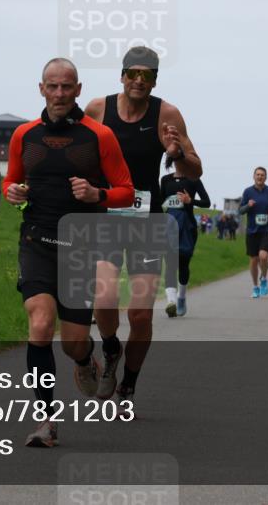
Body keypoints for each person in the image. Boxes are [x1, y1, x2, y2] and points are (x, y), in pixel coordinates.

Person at [3, 57, 134, 447]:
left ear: (78, 89)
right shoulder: (24, 135)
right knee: (41, 323)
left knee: (73, 342)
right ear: (41, 89)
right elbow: (11, 180)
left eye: (66, 86)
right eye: (52, 86)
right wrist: (12, 192)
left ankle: (86, 357)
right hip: (37, 241)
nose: (59, 93)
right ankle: (46, 421)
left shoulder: (99, 136)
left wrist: (97, 195)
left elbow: (127, 191)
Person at [84, 46, 203, 406]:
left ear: (155, 80)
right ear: (122, 76)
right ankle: (110, 349)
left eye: (147, 74)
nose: (139, 80)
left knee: (139, 313)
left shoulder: (167, 114)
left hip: (146, 224)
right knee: (104, 297)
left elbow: (195, 169)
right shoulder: (98, 109)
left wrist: (177, 153)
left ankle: (128, 385)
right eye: (133, 73)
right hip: (107, 218)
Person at [160, 162, 211, 318]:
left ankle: (181, 297)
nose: (179, 162)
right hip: (169, 225)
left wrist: (190, 201)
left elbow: (206, 202)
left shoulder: (193, 179)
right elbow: (159, 201)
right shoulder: (166, 180)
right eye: (176, 159)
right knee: (170, 263)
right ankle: (171, 302)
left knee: (183, 263)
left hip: (187, 227)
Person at [239, 167, 268, 298]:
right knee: (253, 259)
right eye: (257, 174)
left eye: (262, 175)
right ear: (254, 176)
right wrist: (248, 206)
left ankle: (264, 279)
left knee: (263, 256)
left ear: (265, 177)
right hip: (252, 230)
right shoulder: (248, 192)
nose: (260, 177)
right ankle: (255, 286)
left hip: (266, 230)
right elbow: (241, 210)